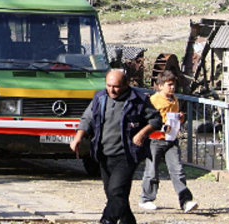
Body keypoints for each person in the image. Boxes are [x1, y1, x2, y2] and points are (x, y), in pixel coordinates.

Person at [70, 69, 162, 224]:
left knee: (116, 191)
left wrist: (142, 133)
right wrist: (78, 138)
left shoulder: (138, 99)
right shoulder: (100, 98)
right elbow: (87, 118)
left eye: (116, 86)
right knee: (114, 195)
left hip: (126, 154)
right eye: (109, 85)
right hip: (104, 154)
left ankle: (107, 220)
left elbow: (156, 120)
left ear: (126, 84)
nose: (112, 90)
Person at [139, 70, 198, 213]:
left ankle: (185, 201)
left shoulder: (175, 99)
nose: (172, 88)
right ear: (160, 86)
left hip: (171, 140)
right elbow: (148, 120)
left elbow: (173, 117)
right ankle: (146, 199)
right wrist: (162, 126)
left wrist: (180, 118)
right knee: (151, 171)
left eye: (174, 85)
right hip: (155, 140)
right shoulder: (153, 100)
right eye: (169, 85)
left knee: (178, 170)